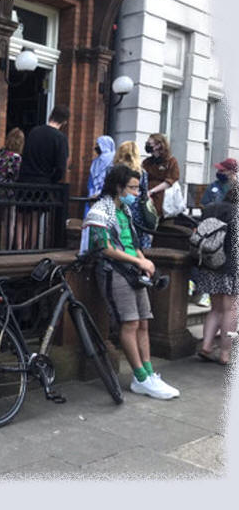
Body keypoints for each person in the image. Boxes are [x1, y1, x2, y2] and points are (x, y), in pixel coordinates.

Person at [81, 165, 180, 400]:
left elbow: (132, 242)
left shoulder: (124, 210)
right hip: (114, 271)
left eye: (137, 188)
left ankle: (148, 373)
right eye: (132, 188)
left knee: (143, 321)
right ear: (118, 187)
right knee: (130, 323)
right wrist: (138, 261)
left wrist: (143, 260)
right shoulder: (100, 210)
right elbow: (103, 247)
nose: (136, 193)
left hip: (133, 271)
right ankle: (141, 377)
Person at [193, 181, 239, 366]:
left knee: (215, 309)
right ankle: (225, 354)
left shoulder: (211, 208)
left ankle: (206, 346)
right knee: (231, 310)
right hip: (230, 267)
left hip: (209, 265)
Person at [17, 105, 70, 249]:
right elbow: (61, 167)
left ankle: (18, 248)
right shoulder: (60, 138)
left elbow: (25, 155)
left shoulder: (34, 131)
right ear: (65, 121)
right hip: (42, 183)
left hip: (24, 180)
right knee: (35, 219)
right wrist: (52, 181)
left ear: (51, 115)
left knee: (21, 218)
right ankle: (28, 250)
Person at [112, 141, 153, 250]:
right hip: (137, 212)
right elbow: (144, 193)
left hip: (117, 208)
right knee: (137, 242)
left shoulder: (113, 170)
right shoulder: (142, 173)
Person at [0, 127, 24, 249]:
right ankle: (6, 248)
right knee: (9, 222)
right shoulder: (16, 157)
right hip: (9, 192)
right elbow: (16, 175)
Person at [142, 133, 179, 219]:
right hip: (148, 195)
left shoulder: (171, 161)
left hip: (163, 196)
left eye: (149, 143)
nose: (147, 146)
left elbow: (171, 180)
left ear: (158, 145)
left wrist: (152, 191)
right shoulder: (147, 162)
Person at [84, 135, 115, 217]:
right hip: (92, 194)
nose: (96, 147)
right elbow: (91, 179)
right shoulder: (96, 161)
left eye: (98, 144)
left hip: (104, 195)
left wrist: (99, 193)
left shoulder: (113, 160)